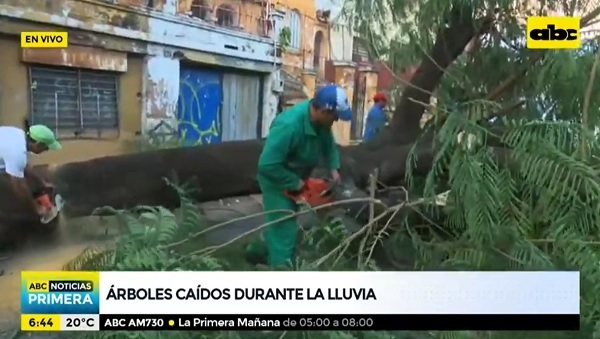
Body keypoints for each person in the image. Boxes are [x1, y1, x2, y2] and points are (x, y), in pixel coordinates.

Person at [251, 84, 353, 268]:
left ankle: (255, 251)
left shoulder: (321, 123)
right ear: (324, 110)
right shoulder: (289, 126)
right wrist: (294, 182)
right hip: (277, 181)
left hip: (298, 175)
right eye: (336, 116)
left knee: (277, 226)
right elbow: (267, 165)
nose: (337, 120)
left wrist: (334, 169)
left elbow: (328, 144)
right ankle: (282, 275)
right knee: (285, 229)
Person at [0, 123, 62, 220]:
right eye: (46, 148)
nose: (46, 150)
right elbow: (19, 187)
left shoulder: (19, 134)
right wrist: (36, 209)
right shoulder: (17, 154)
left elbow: (24, 168)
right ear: (38, 144)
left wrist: (42, 184)